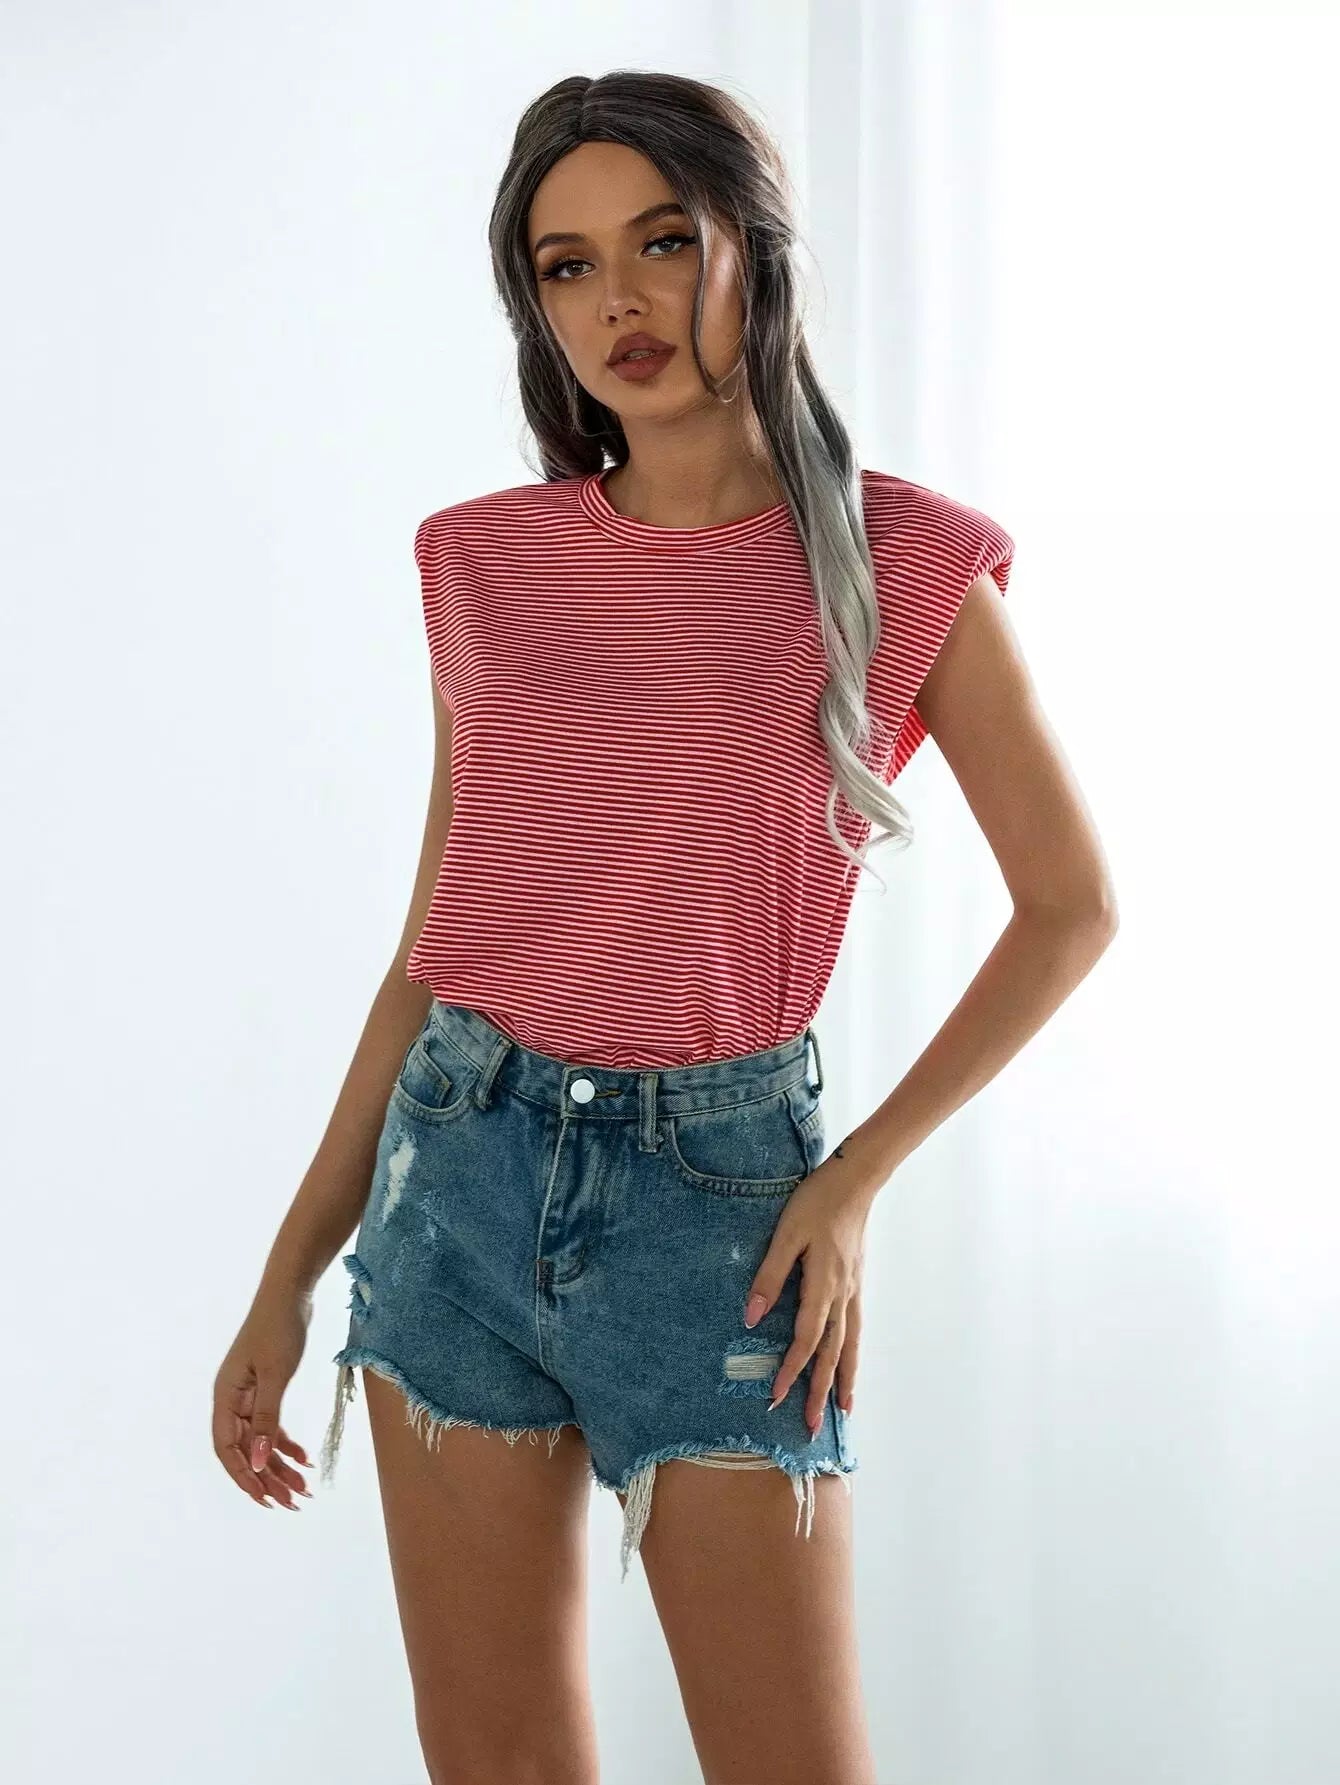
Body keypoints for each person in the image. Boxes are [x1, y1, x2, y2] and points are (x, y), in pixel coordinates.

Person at [211, 70, 1118, 1785]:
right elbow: (433, 947)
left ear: (752, 252)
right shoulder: (481, 562)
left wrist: (852, 1180)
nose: (617, 301)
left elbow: (1072, 907)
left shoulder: (900, 560)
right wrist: (288, 1272)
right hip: (454, 1185)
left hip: (723, 1216)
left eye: (662, 242)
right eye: (565, 266)